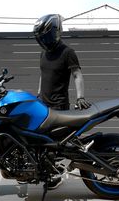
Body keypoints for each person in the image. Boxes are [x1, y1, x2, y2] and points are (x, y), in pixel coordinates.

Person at [33, 14, 91, 189]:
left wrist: (80, 97)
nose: (43, 40)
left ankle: (55, 175)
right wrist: (37, 94)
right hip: (42, 104)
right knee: (38, 141)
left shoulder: (68, 52)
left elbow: (77, 75)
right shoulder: (43, 53)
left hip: (59, 105)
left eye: (45, 35)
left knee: (53, 145)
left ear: (54, 32)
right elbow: (43, 75)